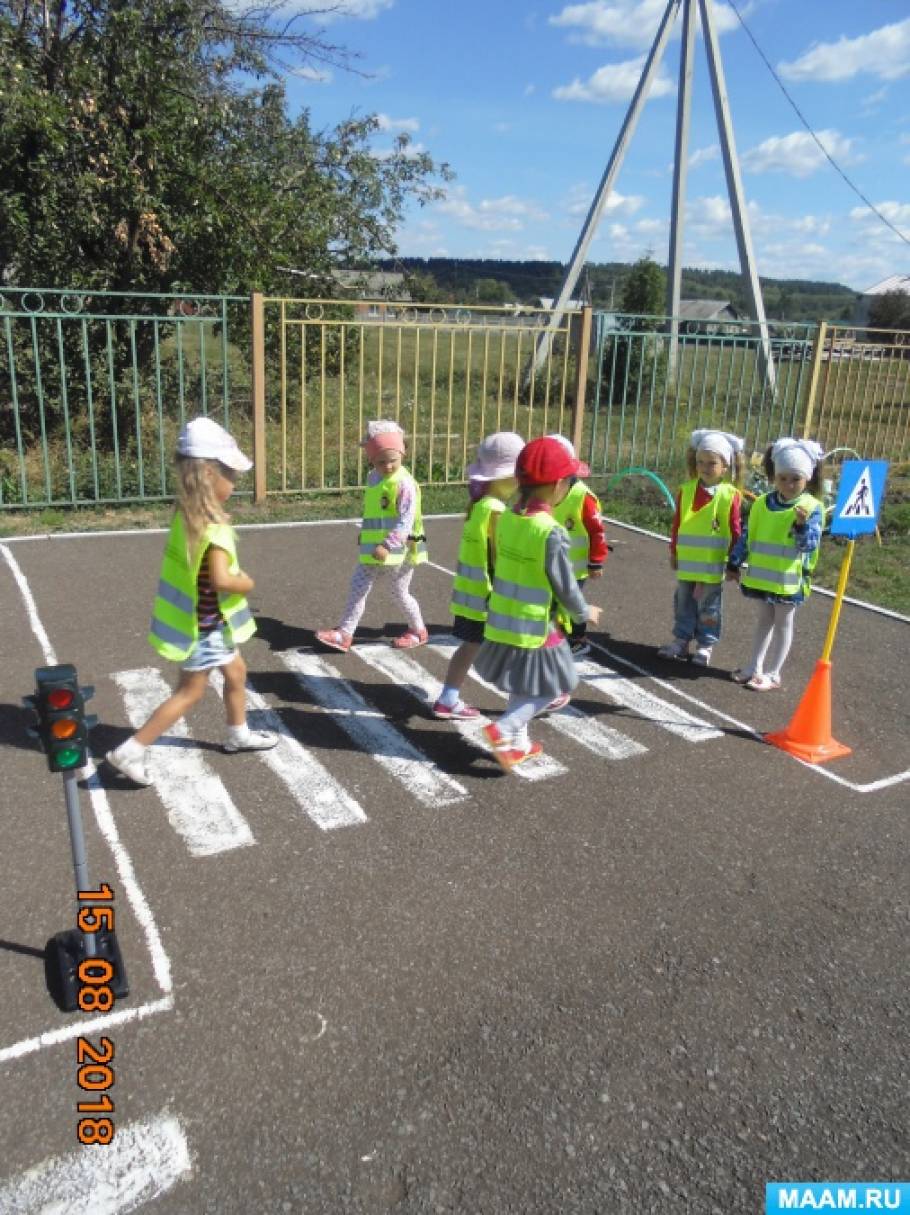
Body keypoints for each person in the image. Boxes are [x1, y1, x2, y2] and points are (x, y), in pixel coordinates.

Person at [105, 417, 277, 786]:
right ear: (209, 476)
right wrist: (245, 582)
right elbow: (220, 580)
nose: (235, 483)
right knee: (190, 692)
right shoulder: (214, 530)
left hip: (202, 624)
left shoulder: (186, 516)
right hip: (204, 630)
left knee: (236, 672)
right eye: (231, 475)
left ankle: (237, 732)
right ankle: (132, 749)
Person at [474, 436, 602, 772]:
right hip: (537, 624)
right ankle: (501, 729)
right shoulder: (551, 531)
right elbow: (564, 584)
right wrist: (583, 612)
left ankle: (520, 744)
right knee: (555, 687)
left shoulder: (508, 517)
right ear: (559, 485)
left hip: (505, 616)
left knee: (524, 683)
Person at [433, 431, 525, 720]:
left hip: (472, 598)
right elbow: (501, 558)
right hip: (490, 599)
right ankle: (530, 700)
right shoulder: (497, 512)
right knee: (517, 648)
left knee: (471, 645)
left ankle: (448, 697)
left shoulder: (478, 506)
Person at [315, 420, 428, 653]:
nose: (387, 466)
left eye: (393, 460)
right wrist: (365, 535)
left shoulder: (404, 484)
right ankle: (345, 634)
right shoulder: (373, 478)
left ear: (402, 454)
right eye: (380, 461)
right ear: (371, 459)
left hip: (399, 550)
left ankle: (418, 630)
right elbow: (374, 511)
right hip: (373, 549)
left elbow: (405, 520)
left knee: (399, 593)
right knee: (358, 586)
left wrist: (388, 544)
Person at [726, 437, 825, 691]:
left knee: (783, 624)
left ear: (807, 479)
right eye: (783, 478)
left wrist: (801, 526)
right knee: (763, 621)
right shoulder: (761, 503)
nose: (789, 484)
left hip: (789, 581)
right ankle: (753, 666)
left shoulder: (811, 507)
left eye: (796, 479)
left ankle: (774, 673)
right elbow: (748, 535)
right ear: (774, 476)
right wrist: (734, 562)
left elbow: (809, 545)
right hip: (762, 577)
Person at [656, 428, 745, 667]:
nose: (705, 467)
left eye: (712, 463)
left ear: (725, 466)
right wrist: (674, 551)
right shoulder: (686, 490)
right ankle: (682, 639)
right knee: (683, 600)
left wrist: (734, 562)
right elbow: (677, 525)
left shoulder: (730, 495)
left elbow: (736, 529)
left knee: (709, 605)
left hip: (712, 563)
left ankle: (706, 643)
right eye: (700, 462)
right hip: (688, 560)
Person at [547, 434, 607, 657]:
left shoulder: (584, 498)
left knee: (572, 601)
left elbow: (597, 531)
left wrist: (596, 562)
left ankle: (578, 639)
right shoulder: (546, 494)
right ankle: (557, 634)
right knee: (555, 600)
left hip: (576, 566)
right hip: (552, 563)